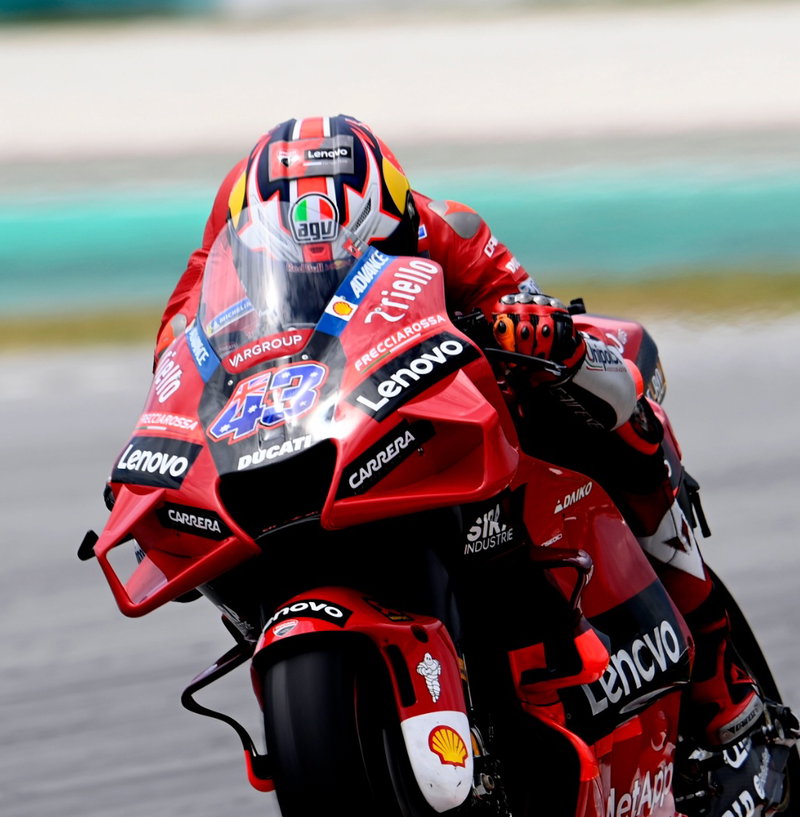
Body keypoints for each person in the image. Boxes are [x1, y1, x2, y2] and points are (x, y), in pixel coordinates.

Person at [155, 114, 763, 751]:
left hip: (456, 414)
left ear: (393, 219)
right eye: (298, 267)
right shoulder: (215, 268)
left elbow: (529, 305)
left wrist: (530, 329)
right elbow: (174, 369)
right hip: (313, 433)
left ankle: (717, 662)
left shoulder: (450, 228)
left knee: (609, 405)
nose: (318, 270)